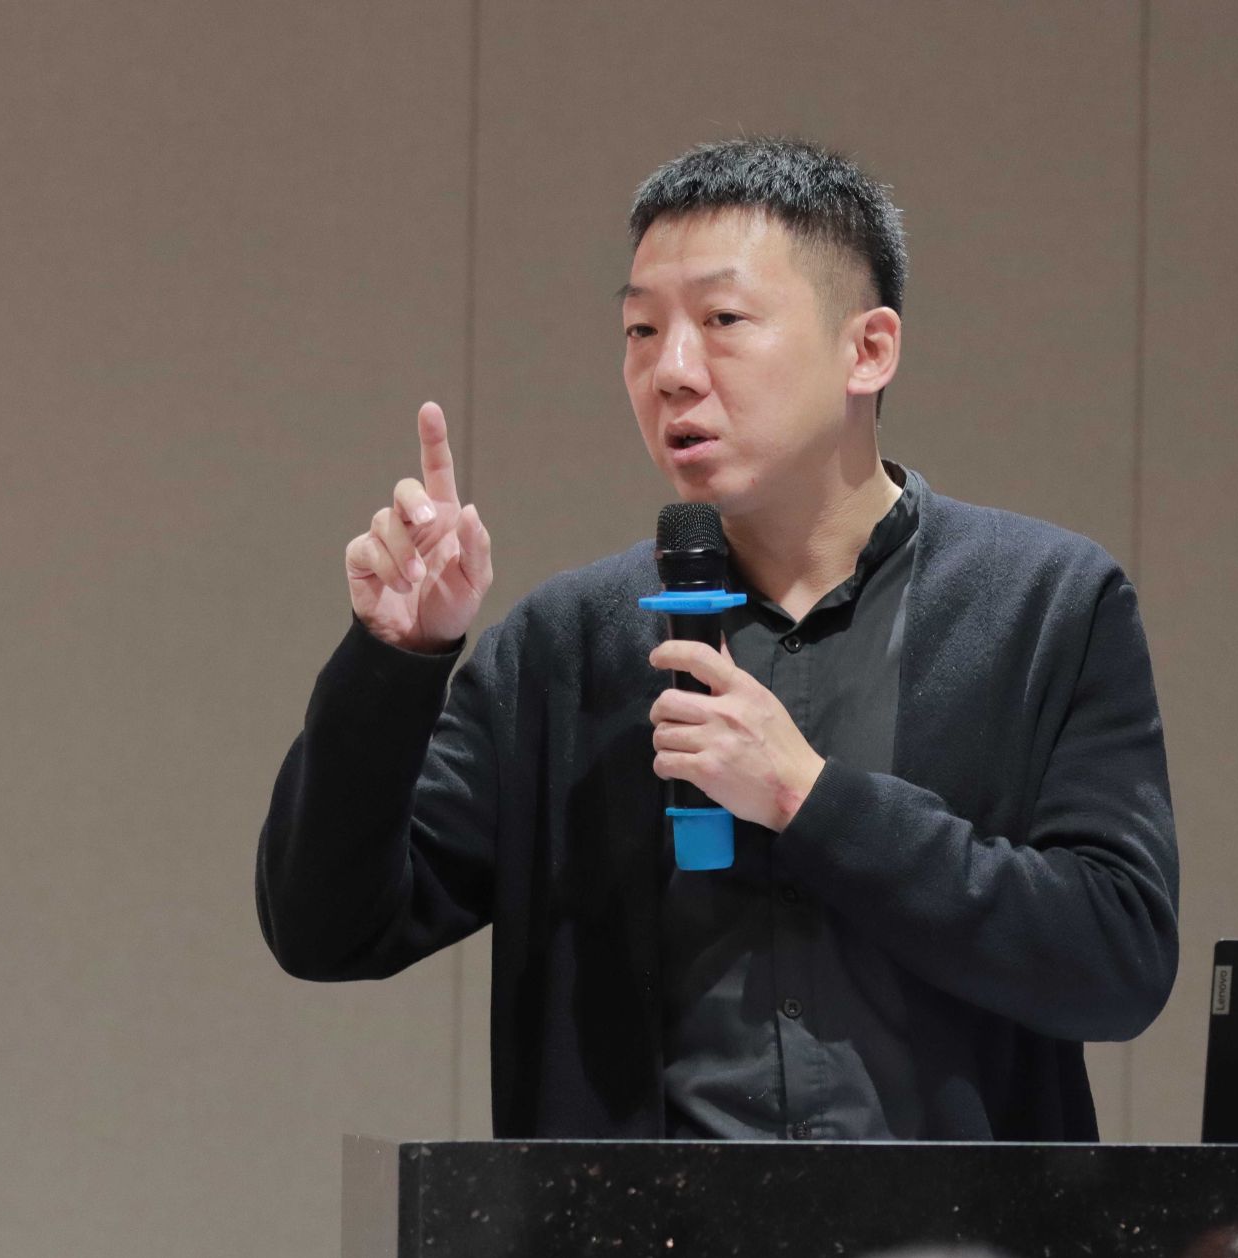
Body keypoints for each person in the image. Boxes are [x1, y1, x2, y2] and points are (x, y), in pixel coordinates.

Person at [256, 137, 1179, 1141]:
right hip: (641, 1216)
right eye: (640, 329)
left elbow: (1116, 962)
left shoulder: (1044, 603)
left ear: (868, 350)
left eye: (723, 321)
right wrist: (395, 661)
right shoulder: (564, 646)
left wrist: (811, 799)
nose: (671, 372)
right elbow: (326, 930)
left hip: (953, 1220)